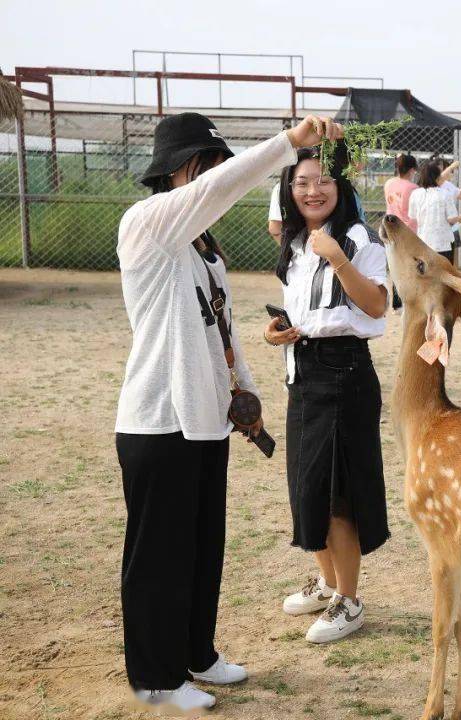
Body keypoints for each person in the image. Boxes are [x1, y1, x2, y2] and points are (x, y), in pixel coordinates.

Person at [116, 112, 339, 713]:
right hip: (157, 420)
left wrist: (243, 390)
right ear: (177, 172)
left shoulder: (203, 247)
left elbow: (221, 326)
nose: (215, 175)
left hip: (205, 418)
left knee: (200, 544)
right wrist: (290, 144)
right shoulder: (147, 223)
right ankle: (156, 679)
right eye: (205, 165)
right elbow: (222, 188)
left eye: (217, 162)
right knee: (158, 555)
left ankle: (196, 653)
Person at [263, 146, 390, 645]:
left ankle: (349, 600)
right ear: (289, 192)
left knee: (339, 494)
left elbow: (377, 307)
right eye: (301, 182)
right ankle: (327, 583)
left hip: (345, 372)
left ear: (341, 189)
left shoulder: (356, 238)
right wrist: (277, 333)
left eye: (323, 181)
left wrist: (338, 259)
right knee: (308, 485)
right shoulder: (295, 242)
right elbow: (305, 312)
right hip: (303, 371)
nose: (312, 190)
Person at [270, 156, 366, 243]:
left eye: (323, 182)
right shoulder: (282, 189)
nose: (313, 192)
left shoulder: (359, 238)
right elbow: (275, 228)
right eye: (302, 184)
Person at [409, 161, 461, 263]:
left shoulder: (415, 194)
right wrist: (460, 218)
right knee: (445, 273)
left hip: (423, 241)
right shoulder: (445, 194)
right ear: (438, 178)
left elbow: (412, 216)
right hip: (443, 243)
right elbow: (451, 219)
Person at [384, 153, 419, 311]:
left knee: (394, 266)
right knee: (409, 268)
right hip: (407, 231)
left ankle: (397, 303)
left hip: (390, 229)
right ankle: (408, 300)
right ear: (412, 170)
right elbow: (413, 214)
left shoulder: (389, 183)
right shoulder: (413, 188)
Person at [433, 158, 461, 265]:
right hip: (438, 226)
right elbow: (439, 179)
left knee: (451, 256)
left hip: (451, 225)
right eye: (446, 168)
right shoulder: (432, 184)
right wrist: (452, 166)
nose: (450, 172)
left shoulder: (448, 185)